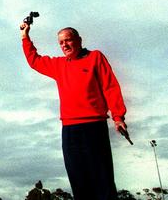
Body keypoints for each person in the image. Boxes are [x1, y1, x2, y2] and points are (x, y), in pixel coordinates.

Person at [20, 22, 128, 200]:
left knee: (102, 181)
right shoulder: (59, 65)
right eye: (61, 43)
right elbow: (34, 61)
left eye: (68, 40)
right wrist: (25, 37)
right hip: (70, 130)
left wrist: (118, 117)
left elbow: (110, 87)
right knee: (79, 181)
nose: (64, 45)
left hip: (94, 126)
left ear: (79, 40)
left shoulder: (95, 57)